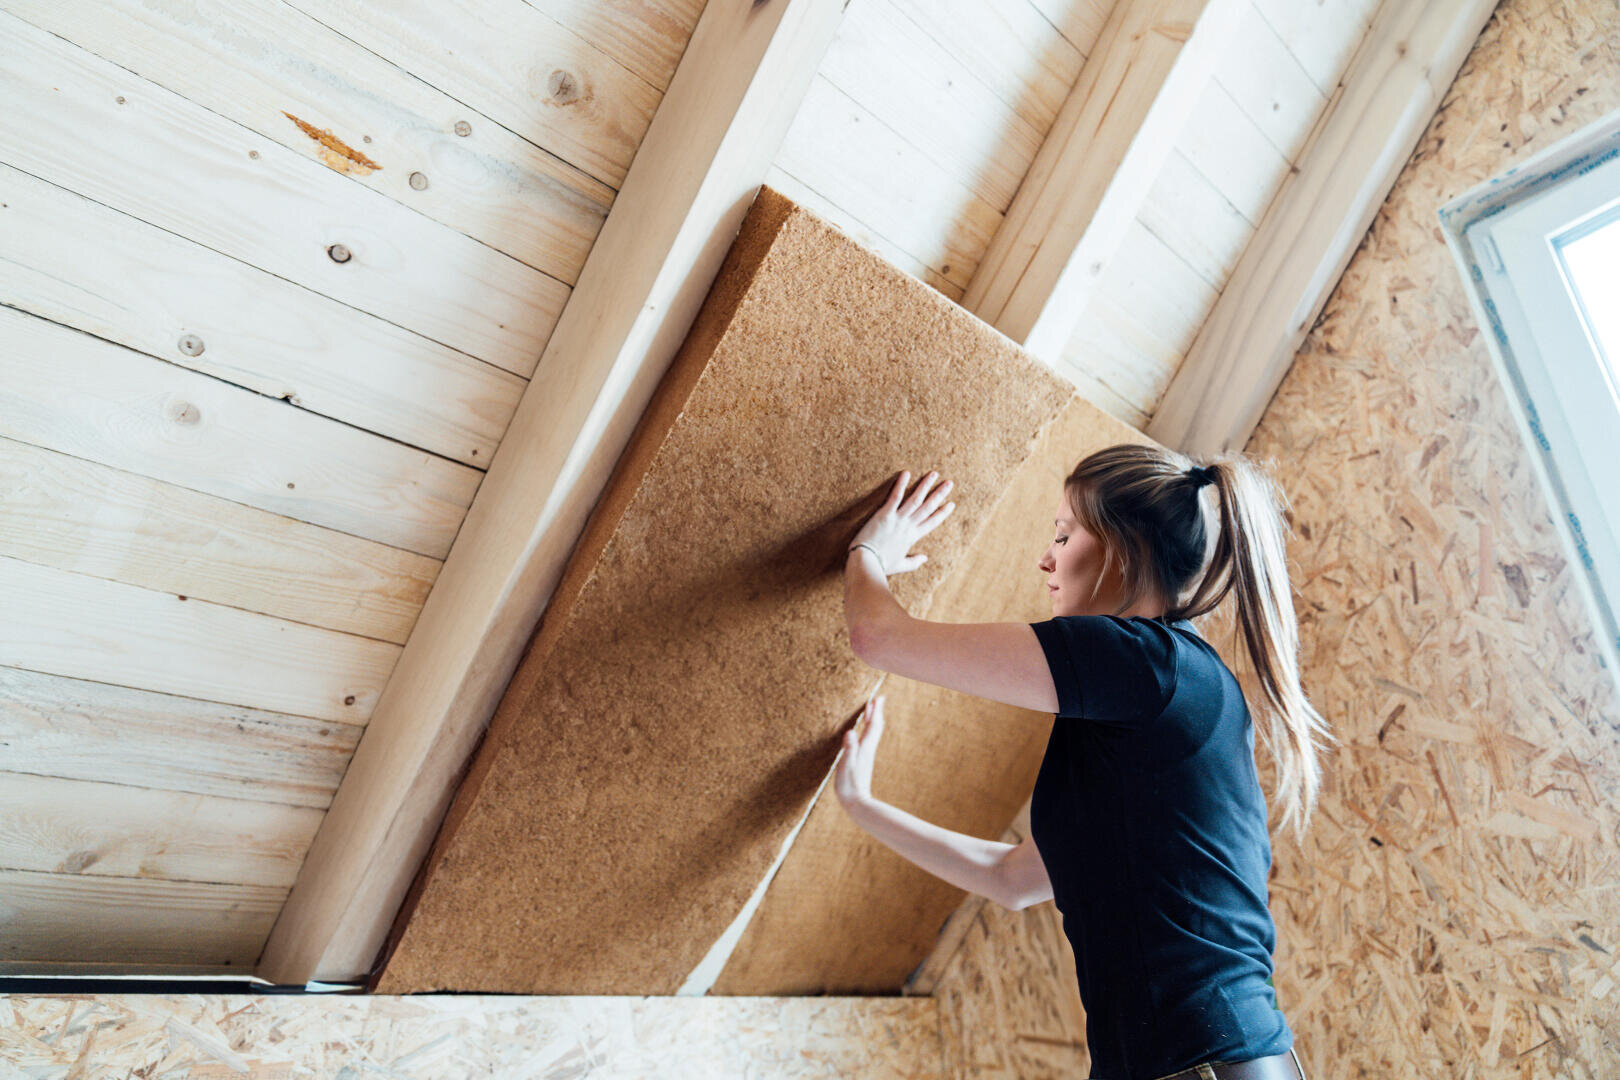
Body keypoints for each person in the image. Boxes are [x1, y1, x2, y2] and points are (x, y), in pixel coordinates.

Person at [834, 446, 1335, 1080]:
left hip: (1203, 1063)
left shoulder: (1149, 666)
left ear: (1123, 550)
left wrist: (870, 552)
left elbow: (878, 637)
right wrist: (861, 806)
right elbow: (1011, 879)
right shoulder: (1145, 707)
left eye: (1065, 534)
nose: (1046, 559)